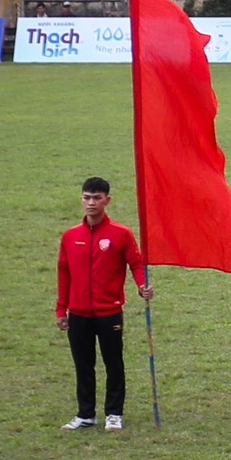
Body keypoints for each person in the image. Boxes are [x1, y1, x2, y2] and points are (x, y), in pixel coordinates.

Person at [56, 175, 149, 431]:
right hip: (78, 313)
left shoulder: (121, 234)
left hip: (109, 312)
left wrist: (142, 286)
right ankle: (86, 414)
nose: (91, 203)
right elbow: (64, 273)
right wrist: (61, 309)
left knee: (113, 362)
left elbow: (137, 263)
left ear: (107, 200)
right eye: (87, 198)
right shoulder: (70, 236)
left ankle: (114, 413)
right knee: (83, 365)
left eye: (97, 198)